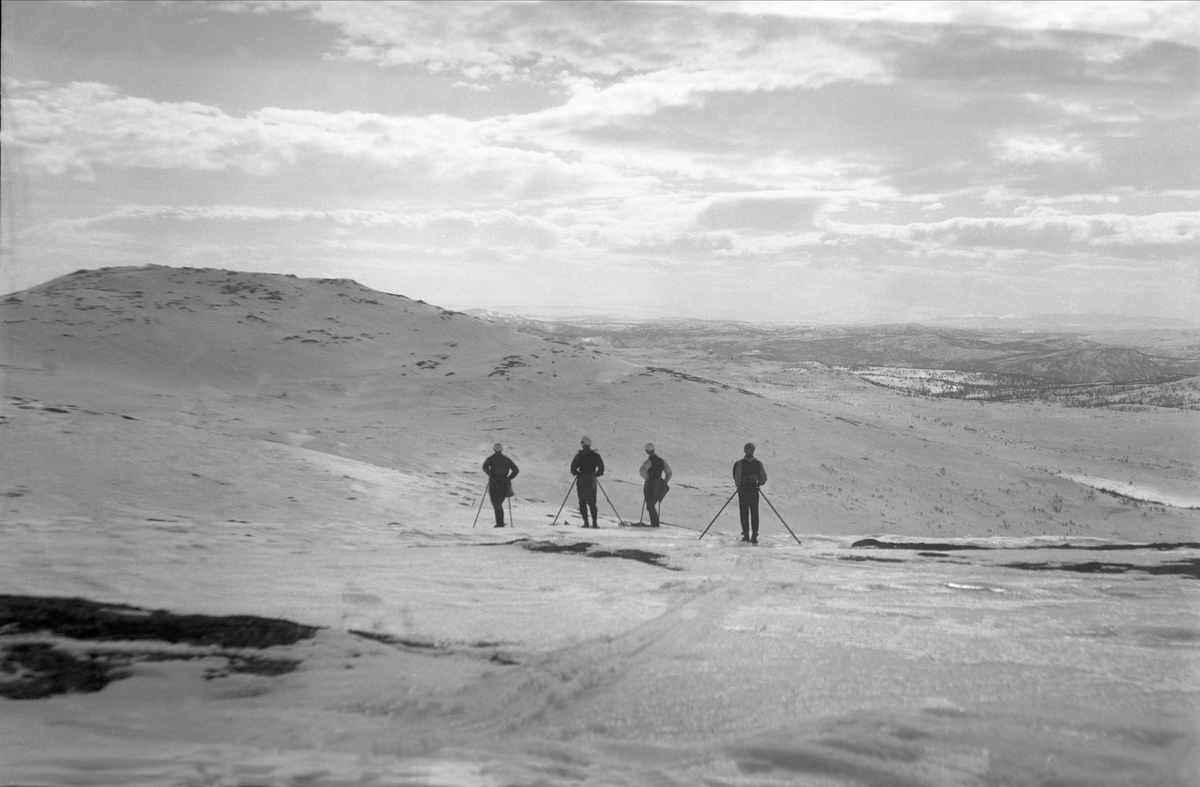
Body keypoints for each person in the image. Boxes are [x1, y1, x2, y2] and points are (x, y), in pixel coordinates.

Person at [733, 442, 767, 544]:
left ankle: (747, 535)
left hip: (744, 489)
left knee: (744, 512)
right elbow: (763, 478)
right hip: (753, 489)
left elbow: (737, 477)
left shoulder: (740, 463)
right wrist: (758, 484)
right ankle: (753, 535)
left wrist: (739, 485)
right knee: (754, 512)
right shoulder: (758, 463)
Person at [570, 436, 605, 528]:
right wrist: (594, 475)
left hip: (581, 480)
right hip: (591, 480)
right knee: (592, 502)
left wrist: (578, 474)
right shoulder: (596, 456)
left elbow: (573, 468)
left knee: (582, 501)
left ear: (584, 444)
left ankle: (586, 522)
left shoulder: (579, 455)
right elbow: (601, 469)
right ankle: (595, 523)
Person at [482, 443, 519, 528]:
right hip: (504, 483)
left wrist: (491, 474)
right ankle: (500, 523)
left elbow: (485, 467)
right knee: (499, 502)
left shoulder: (491, 459)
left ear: (494, 450)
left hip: (494, 482)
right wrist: (509, 478)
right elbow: (516, 470)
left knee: (496, 503)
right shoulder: (507, 459)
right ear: (502, 450)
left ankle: (500, 524)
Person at [639, 443, 672, 527]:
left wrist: (647, 478)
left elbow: (642, 471)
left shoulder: (648, 461)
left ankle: (654, 525)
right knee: (652, 504)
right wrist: (664, 482)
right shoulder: (662, 461)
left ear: (647, 451)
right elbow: (669, 473)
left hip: (650, 483)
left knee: (650, 504)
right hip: (659, 483)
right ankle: (655, 524)